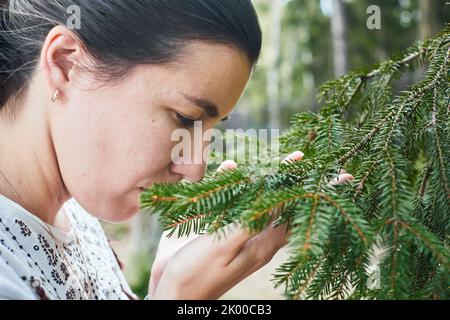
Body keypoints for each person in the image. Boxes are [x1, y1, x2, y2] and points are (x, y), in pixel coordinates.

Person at [0, 0, 353, 299]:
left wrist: (162, 285)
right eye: (185, 118)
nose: (195, 169)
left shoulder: (78, 218)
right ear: (66, 63)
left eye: (210, 129)